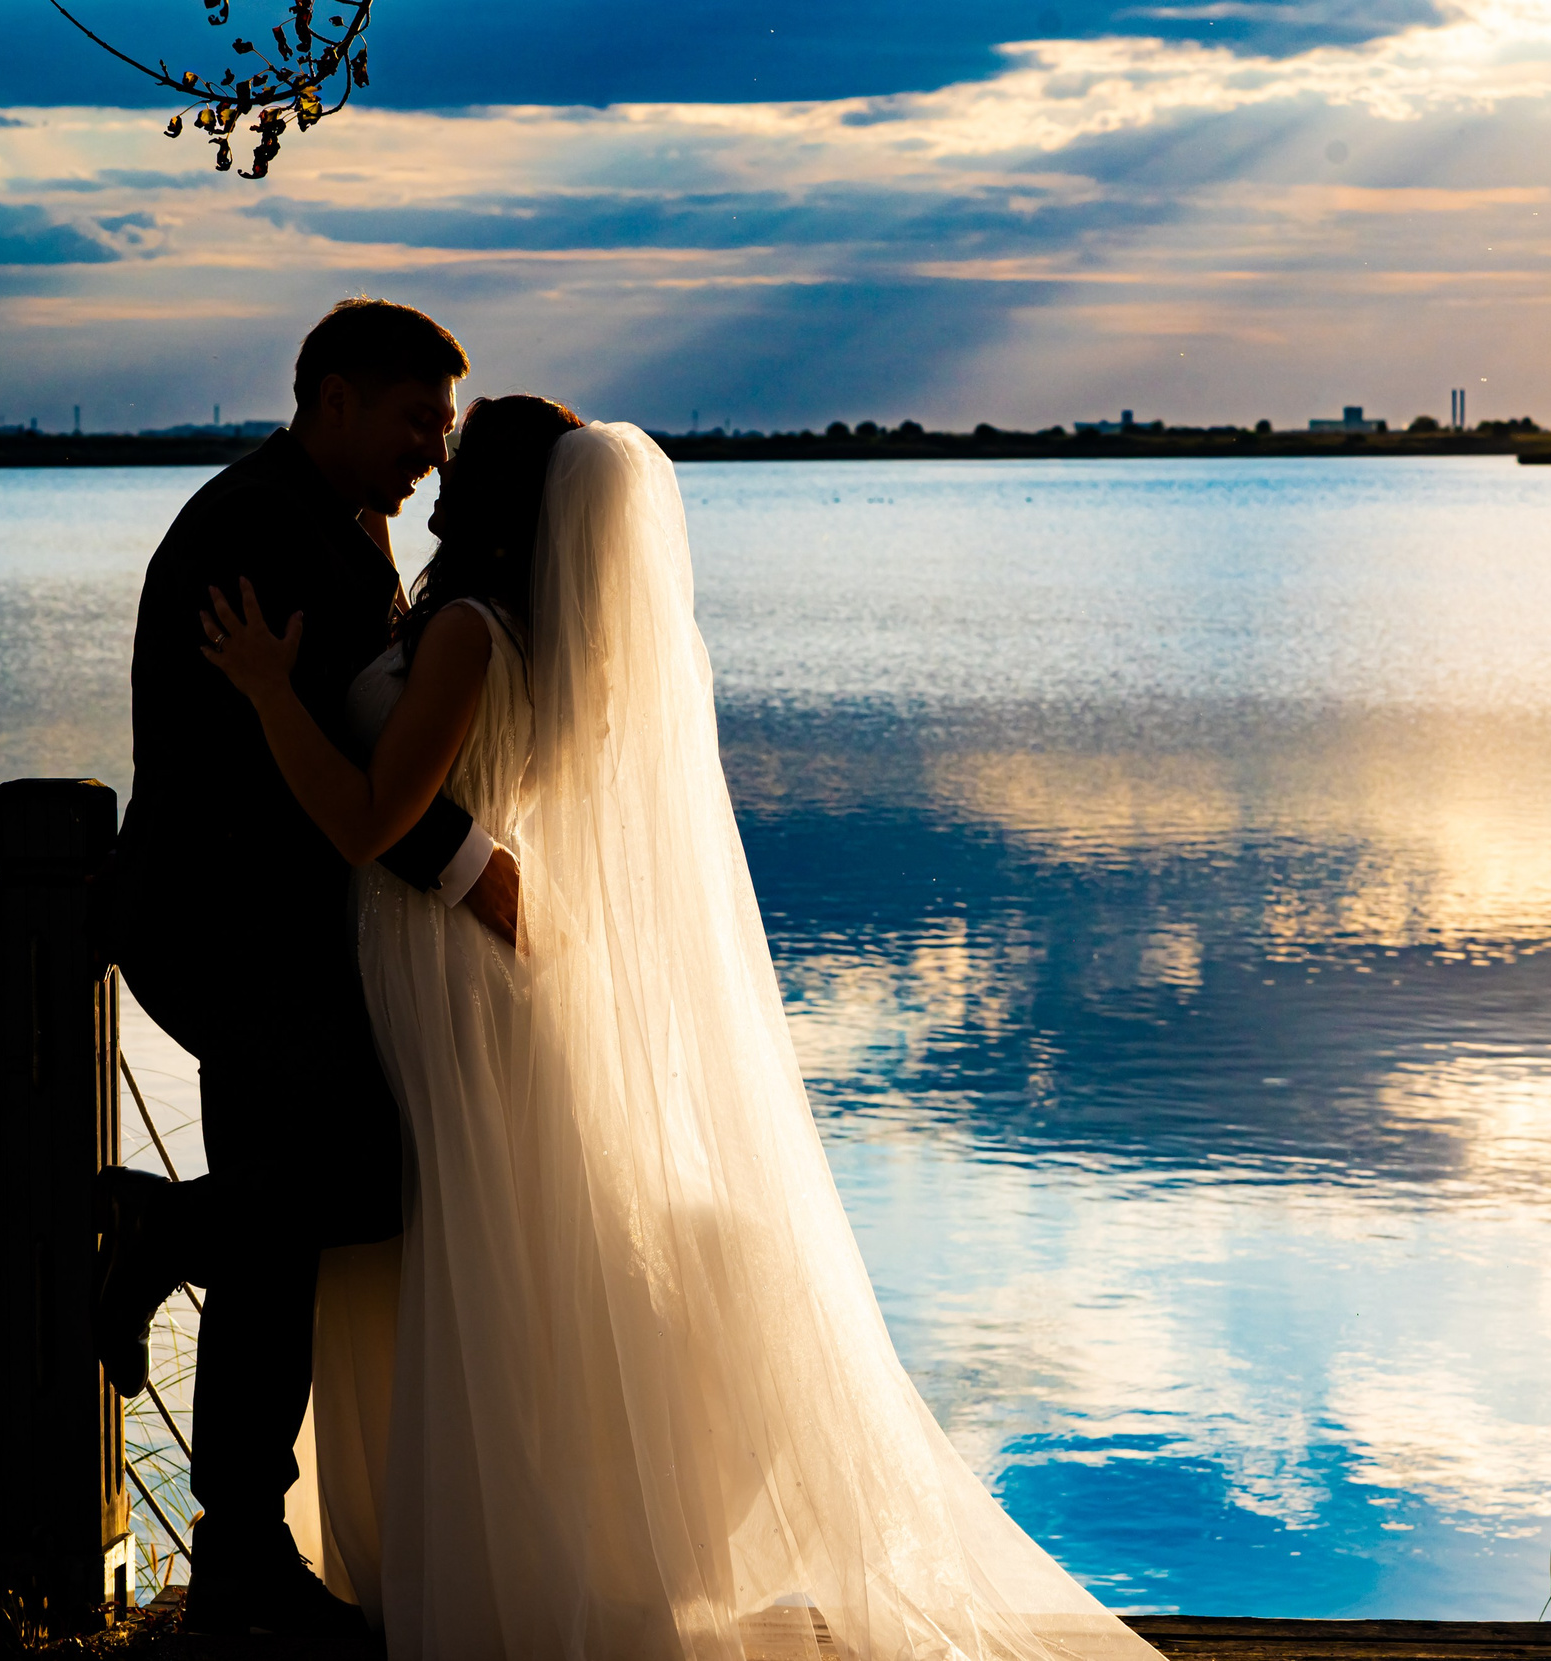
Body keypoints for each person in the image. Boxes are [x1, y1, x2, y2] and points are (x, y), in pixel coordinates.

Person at [199, 399, 1162, 1660]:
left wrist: (272, 694)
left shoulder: (472, 638)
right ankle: (481, 1547)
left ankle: (484, 1556)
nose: (433, 473)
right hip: (475, 958)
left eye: (458, 458)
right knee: (476, 1257)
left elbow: (376, 821)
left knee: (468, 1252)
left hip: (443, 972)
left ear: (495, 500)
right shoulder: (531, 639)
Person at [98, 298, 516, 1642]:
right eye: (411, 421)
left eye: (445, 432)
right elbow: (371, 781)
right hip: (237, 929)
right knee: (355, 1188)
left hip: (281, 933)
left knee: (288, 1233)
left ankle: (242, 1564)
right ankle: (166, 1237)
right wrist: (488, 885)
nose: (429, 455)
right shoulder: (263, 530)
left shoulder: (327, 519)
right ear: (331, 396)